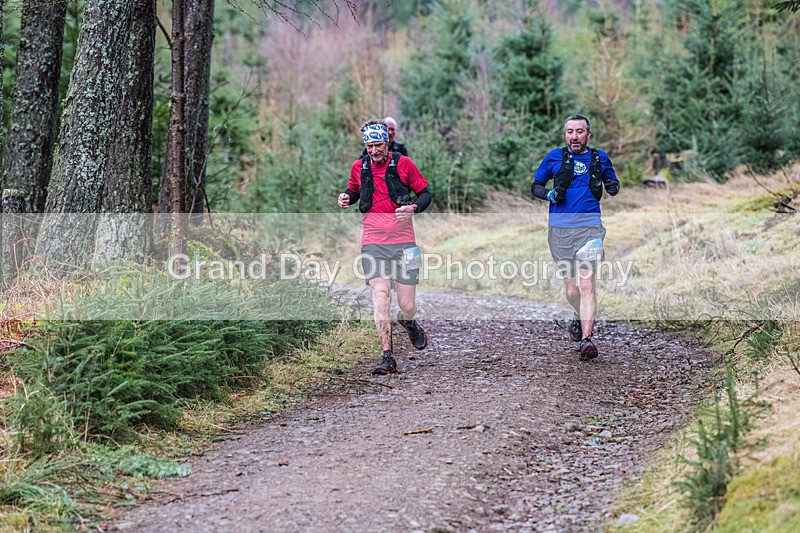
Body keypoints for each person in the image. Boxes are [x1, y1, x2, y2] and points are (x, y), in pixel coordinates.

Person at [339, 119, 432, 374]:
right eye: (369, 145)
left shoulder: (404, 163)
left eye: (378, 144)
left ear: (387, 142)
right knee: (381, 295)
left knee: (407, 304)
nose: (373, 150)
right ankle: (387, 357)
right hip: (373, 242)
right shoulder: (359, 167)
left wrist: (413, 208)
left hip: (405, 243)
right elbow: (355, 190)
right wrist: (347, 196)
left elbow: (426, 194)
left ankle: (408, 321)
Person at [531, 114, 620, 361]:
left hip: (589, 228)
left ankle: (586, 340)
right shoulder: (554, 157)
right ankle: (578, 316)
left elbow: (612, 181)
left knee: (587, 284)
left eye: (580, 131)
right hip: (559, 231)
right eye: (570, 131)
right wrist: (549, 195)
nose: (574, 136)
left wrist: (613, 186)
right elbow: (535, 186)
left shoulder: (599, 158)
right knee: (572, 291)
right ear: (565, 134)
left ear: (588, 135)